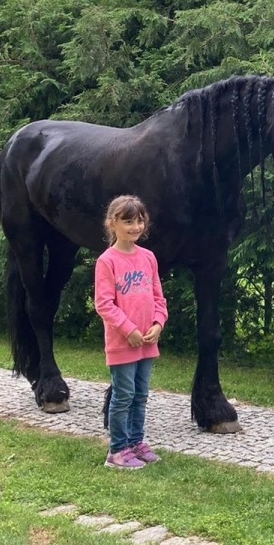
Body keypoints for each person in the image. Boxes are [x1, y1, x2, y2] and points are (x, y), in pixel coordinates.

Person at [94, 195, 168, 470]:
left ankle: (136, 443)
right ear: (112, 223)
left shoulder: (148, 258)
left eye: (139, 220)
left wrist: (158, 324)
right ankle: (117, 450)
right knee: (123, 395)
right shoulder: (107, 261)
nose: (135, 227)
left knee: (140, 395)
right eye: (128, 221)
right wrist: (129, 330)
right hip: (122, 342)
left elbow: (159, 298)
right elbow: (104, 304)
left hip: (147, 342)